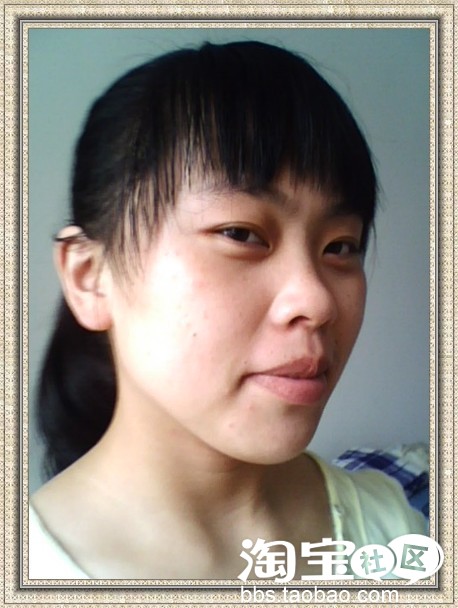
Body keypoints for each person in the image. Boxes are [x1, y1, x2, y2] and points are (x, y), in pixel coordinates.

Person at [29, 40, 425, 580]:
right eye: (241, 234)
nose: (317, 301)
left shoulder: (390, 526)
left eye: (340, 246)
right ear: (90, 277)